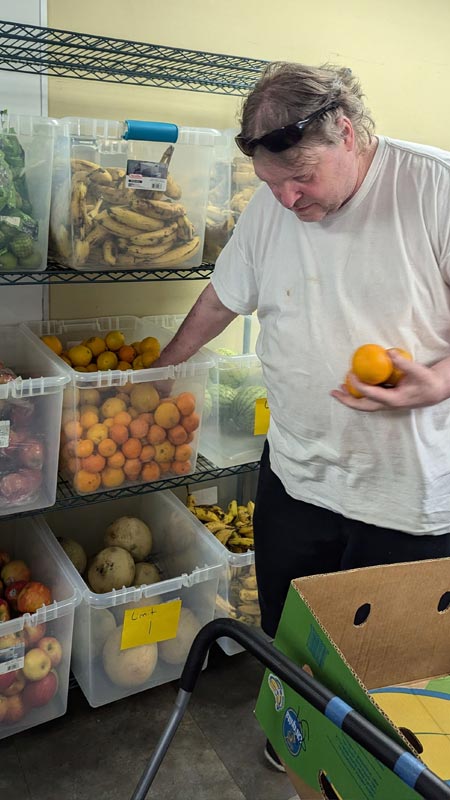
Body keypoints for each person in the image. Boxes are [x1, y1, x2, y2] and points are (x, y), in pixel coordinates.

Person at [153, 61, 450, 771]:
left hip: (405, 496)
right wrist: (158, 374)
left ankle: (369, 773)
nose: (287, 199)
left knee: (385, 669)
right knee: (291, 636)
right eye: (270, 184)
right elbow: (220, 300)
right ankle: (297, 744)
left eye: (302, 179)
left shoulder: (433, 187)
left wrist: (435, 384)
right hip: (295, 474)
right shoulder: (273, 207)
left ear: (347, 134)